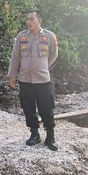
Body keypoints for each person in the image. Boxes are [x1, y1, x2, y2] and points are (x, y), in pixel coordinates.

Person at [7, 10, 59, 151]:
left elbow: (54, 54)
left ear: (39, 21)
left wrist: (44, 67)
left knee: (46, 109)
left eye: (31, 19)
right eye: (27, 19)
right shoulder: (21, 37)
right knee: (28, 108)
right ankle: (34, 134)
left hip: (43, 80)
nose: (28, 22)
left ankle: (50, 137)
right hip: (25, 80)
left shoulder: (49, 36)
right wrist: (12, 75)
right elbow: (15, 57)